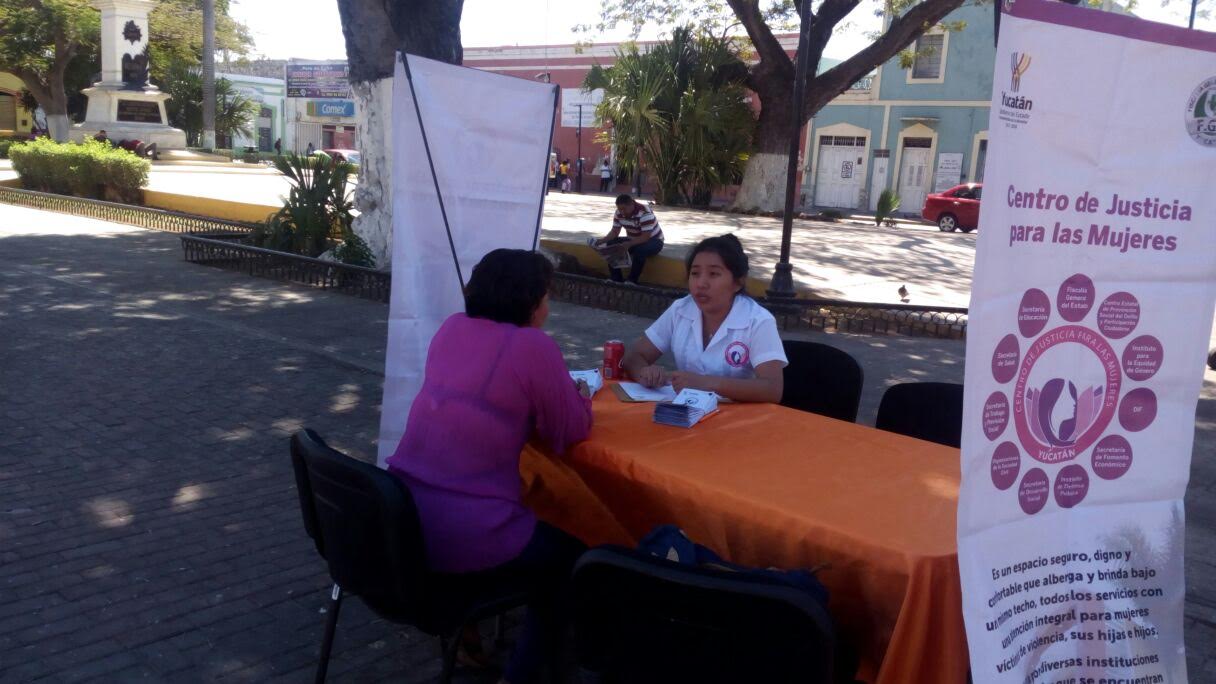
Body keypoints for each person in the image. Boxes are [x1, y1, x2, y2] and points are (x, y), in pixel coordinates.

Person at [386, 249, 592, 684]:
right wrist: (579, 396)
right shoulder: (532, 345)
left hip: (404, 516)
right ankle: (523, 673)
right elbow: (570, 429)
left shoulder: (451, 329)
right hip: (471, 532)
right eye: (547, 298)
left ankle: (468, 635)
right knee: (576, 556)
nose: (549, 309)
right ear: (533, 300)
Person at [620, 234, 787, 403]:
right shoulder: (681, 309)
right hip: (684, 414)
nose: (701, 283)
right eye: (695, 273)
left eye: (713, 274)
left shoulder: (758, 321)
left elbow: (772, 389)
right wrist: (645, 373)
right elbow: (634, 356)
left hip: (737, 419)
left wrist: (707, 383)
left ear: (738, 282)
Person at [591, 193, 665, 284]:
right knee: (611, 244)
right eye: (619, 209)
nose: (622, 212)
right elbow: (615, 232)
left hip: (654, 240)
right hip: (633, 239)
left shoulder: (645, 213)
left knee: (640, 251)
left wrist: (628, 244)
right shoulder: (618, 213)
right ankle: (616, 278)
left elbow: (645, 237)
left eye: (624, 209)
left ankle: (632, 280)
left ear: (632, 205)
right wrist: (601, 241)